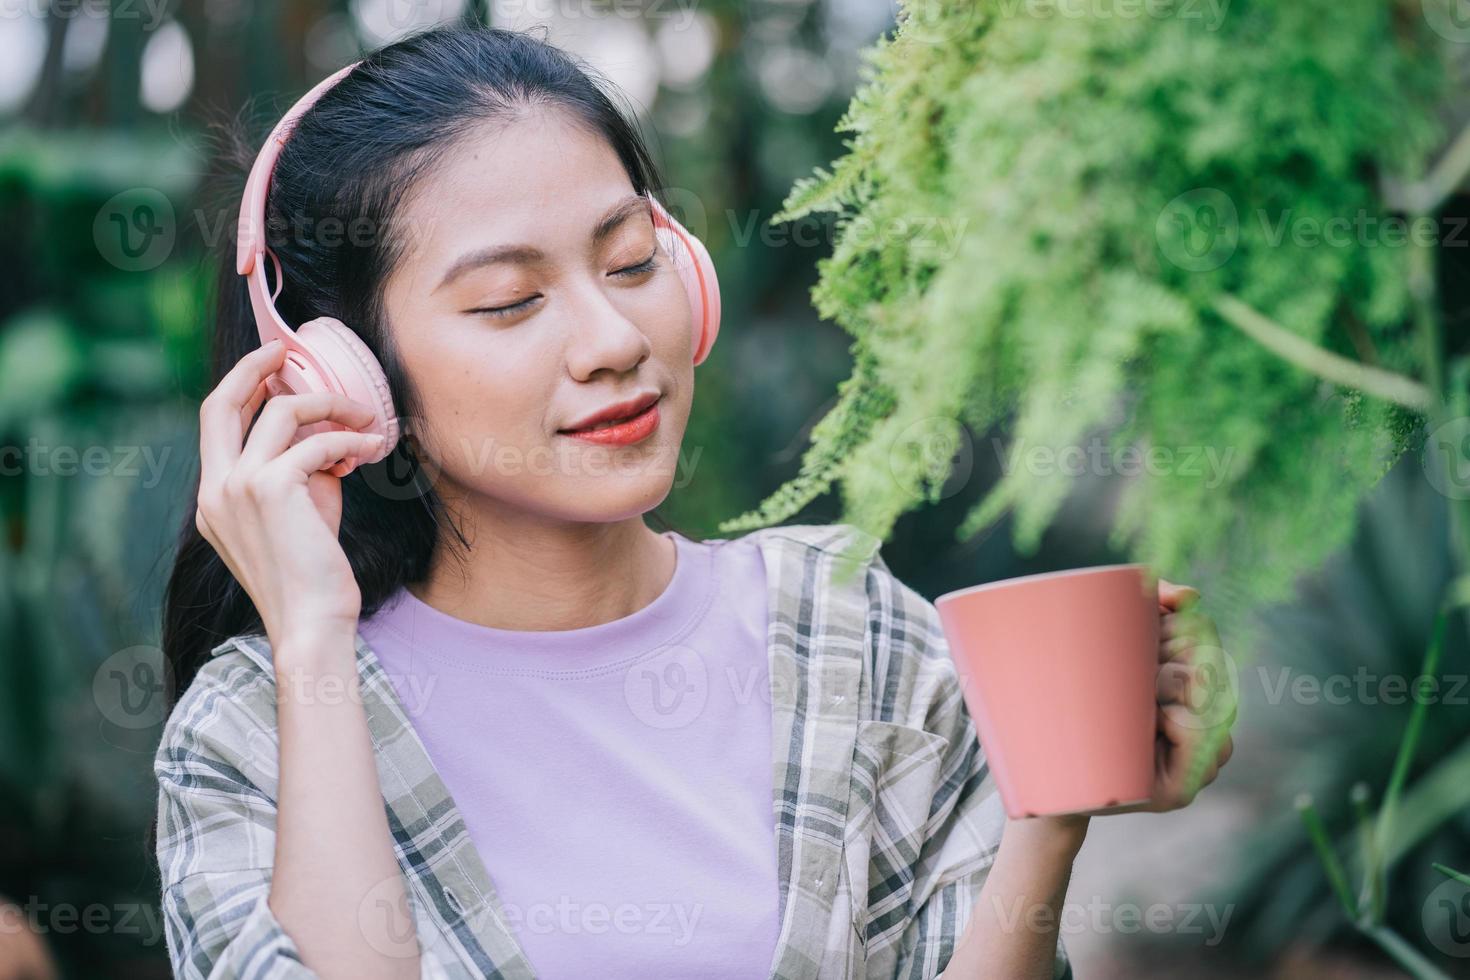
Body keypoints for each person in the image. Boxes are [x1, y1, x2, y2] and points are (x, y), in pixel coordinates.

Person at [154, 24, 1233, 980]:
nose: (617, 339)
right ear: (341, 372)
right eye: (511, 300)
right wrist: (311, 640)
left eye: (630, 262)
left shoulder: (854, 630)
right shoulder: (252, 729)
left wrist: (1048, 816)